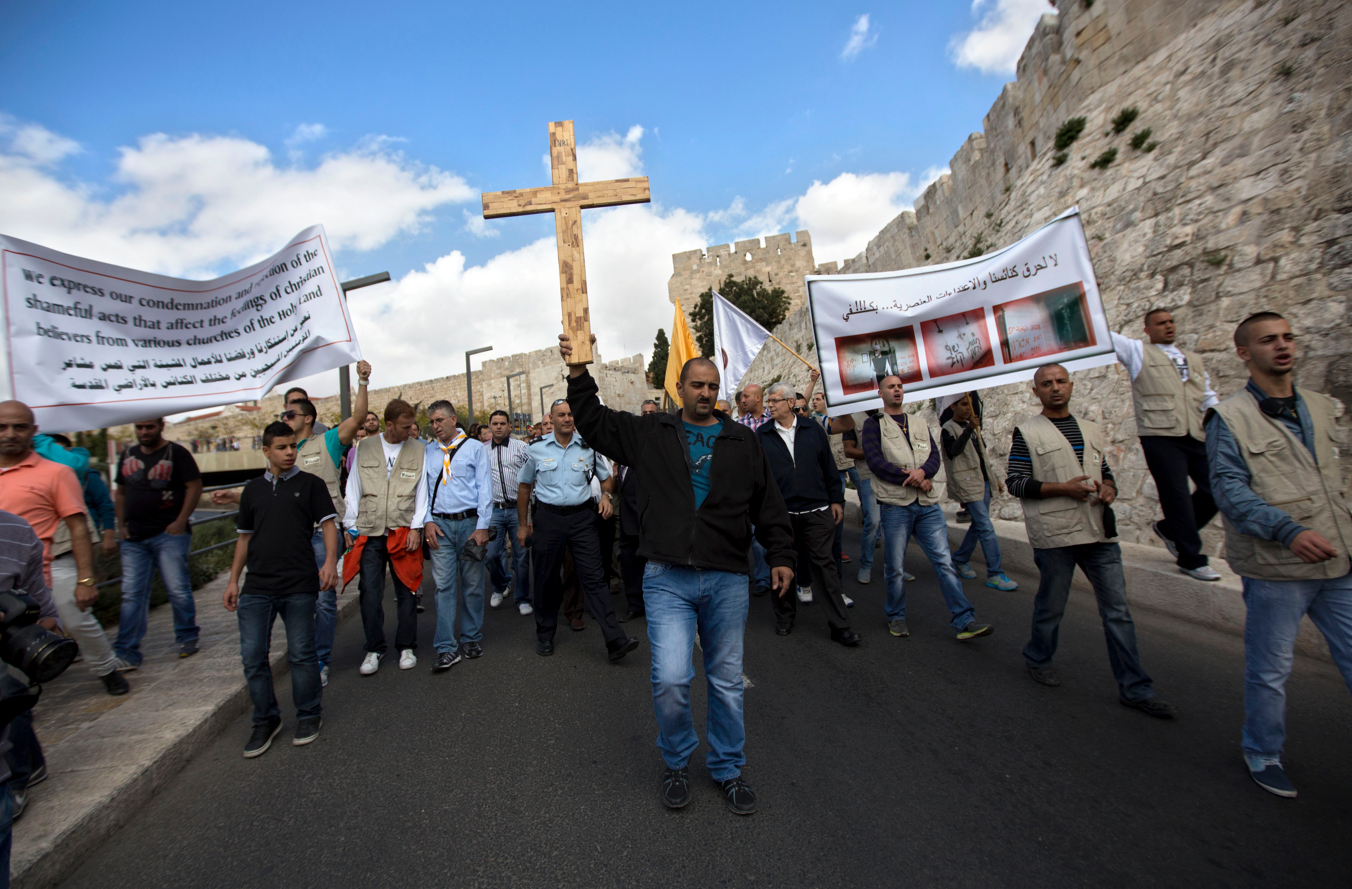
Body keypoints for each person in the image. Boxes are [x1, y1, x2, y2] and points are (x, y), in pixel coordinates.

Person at [563, 334, 794, 815]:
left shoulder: (742, 441)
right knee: (670, 678)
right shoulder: (652, 433)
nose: (705, 393)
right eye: (696, 385)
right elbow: (595, 422)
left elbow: (767, 503)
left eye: (712, 386)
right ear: (680, 390)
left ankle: (728, 767)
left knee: (726, 681)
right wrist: (579, 373)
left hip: (727, 577)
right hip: (666, 576)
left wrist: (781, 555)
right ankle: (676, 760)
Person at [1205, 312, 1352, 798]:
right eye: (1269, 340)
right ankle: (1262, 751)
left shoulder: (1322, 407)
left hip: (1337, 560)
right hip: (1276, 567)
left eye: (1288, 337)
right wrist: (1286, 530)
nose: (1282, 346)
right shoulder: (1229, 417)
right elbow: (1229, 490)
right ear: (1245, 353)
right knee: (1270, 669)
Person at [1007, 364, 1175, 718]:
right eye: (1046, 384)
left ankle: (1135, 688)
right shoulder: (1027, 432)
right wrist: (1063, 489)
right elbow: (1017, 482)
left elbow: (1104, 472)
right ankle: (1038, 657)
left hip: (1098, 533)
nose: (1055, 388)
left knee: (1118, 612)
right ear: (1035, 391)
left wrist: (1110, 489)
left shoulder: (1091, 429)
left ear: (1072, 385)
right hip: (1056, 535)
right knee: (1052, 606)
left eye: (1061, 381)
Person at [212, 362, 372, 687]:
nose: (285, 418)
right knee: (299, 601)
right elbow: (266, 491)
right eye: (284, 415)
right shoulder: (282, 452)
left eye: (291, 415)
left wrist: (363, 381)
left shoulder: (327, 441)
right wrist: (234, 497)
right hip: (289, 537)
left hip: (320, 534)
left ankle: (319, 661)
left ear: (308, 418)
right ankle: (306, 655)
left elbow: (356, 419)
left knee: (324, 600)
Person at [224, 421, 337, 757]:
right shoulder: (253, 490)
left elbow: (329, 525)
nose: (290, 453)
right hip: (256, 587)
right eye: (282, 448)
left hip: (298, 583)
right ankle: (265, 720)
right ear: (266, 451)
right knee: (252, 657)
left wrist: (330, 562)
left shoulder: (311, 485)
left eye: (293, 446)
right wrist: (233, 580)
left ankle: (308, 714)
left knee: (302, 655)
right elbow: (244, 538)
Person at [0, 401, 128, 696]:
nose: (10, 433)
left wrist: (85, 579)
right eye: (3, 426)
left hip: (51, 563)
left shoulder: (56, 473)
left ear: (33, 431)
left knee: (74, 618)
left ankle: (107, 668)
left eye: (19, 427)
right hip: (6, 577)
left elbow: (78, 526)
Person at [863, 377, 993, 642]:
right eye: (891, 386)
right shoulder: (873, 424)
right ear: (880, 393)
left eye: (899, 385)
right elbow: (876, 461)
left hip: (927, 504)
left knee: (944, 562)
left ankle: (964, 619)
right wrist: (910, 477)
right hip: (896, 506)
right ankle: (896, 615)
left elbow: (934, 456)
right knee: (896, 567)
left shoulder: (920, 423)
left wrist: (924, 472)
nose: (897, 389)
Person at [516, 399, 636, 662]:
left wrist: (605, 496)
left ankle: (615, 639)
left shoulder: (588, 447)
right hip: (548, 519)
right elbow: (524, 486)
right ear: (552, 418)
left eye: (570, 414)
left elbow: (606, 479)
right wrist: (523, 525)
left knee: (594, 578)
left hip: (582, 518)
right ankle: (545, 634)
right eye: (561, 415)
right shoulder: (536, 449)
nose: (567, 419)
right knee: (546, 579)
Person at [1112, 310, 1222, 581]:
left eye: (1171, 321)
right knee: (1177, 496)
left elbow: (1207, 395)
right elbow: (1101, 334)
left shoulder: (1192, 359)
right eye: (1161, 323)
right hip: (1160, 435)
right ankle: (1191, 558)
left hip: (1194, 433)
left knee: (1217, 487)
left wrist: (1224, 421)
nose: (1169, 326)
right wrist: (1085, 298)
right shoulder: (1137, 351)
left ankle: (1170, 530)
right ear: (1147, 329)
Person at [756, 382, 859, 645]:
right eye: (768, 401)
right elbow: (758, 477)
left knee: (825, 568)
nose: (770, 405)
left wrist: (836, 499)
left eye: (775, 401)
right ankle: (784, 617)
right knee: (781, 567)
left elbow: (828, 466)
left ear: (790, 403)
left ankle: (840, 625)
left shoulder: (813, 429)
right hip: (781, 515)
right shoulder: (762, 435)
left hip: (816, 511)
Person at [343, 399, 428, 675]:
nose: (409, 431)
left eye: (411, 426)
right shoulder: (365, 447)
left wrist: (416, 527)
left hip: (403, 529)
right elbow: (353, 488)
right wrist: (350, 525)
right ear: (388, 425)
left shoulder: (418, 449)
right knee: (369, 592)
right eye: (404, 427)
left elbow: (422, 492)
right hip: (370, 530)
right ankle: (374, 648)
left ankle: (406, 646)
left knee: (407, 589)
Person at [112, 418, 203, 666]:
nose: (144, 432)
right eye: (139, 427)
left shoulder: (177, 454)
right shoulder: (127, 455)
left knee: (176, 588)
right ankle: (126, 650)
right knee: (132, 594)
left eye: (149, 427)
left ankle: (186, 636)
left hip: (168, 535)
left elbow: (194, 487)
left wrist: (181, 521)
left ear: (161, 426)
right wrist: (120, 525)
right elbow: (120, 493)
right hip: (134, 537)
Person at [418, 401, 493, 671]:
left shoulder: (474, 448)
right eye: (432, 422)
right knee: (443, 586)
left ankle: (471, 637)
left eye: (439, 420)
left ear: (453, 419)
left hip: (469, 523)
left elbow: (485, 487)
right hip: (439, 525)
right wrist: (426, 521)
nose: (435, 426)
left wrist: (482, 526)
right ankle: (446, 647)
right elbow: (424, 491)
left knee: (472, 583)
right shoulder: (429, 452)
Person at [0, 509, 60, 831]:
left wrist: (45, 633)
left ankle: (17, 780)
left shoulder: (16, 531)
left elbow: (44, 611)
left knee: (13, 693)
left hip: (5, 667)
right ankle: (31, 763)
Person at [940, 393, 1018, 591]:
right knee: (985, 526)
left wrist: (993, 478)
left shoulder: (973, 428)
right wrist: (968, 430)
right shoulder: (948, 429)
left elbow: (981, 457)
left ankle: (959, 559)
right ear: (952, 407)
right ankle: (995, 573)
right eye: (963, 404)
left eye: (970, 404)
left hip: (981, 482)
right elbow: (954, 451)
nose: (968, 408)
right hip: (967, 484)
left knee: (978, 525)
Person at [484, 410, 532, 615]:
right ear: (489, 426)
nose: (498, 427)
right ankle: (501, 584)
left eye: (503, 423)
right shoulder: (482, 450)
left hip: (517, 509)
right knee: (491, 554)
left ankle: (522, 597)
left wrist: (529, 513)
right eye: (495, 423)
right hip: (493, 509)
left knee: (521, 556)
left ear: (510, 426)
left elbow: (531, 478)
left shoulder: (522, 448)